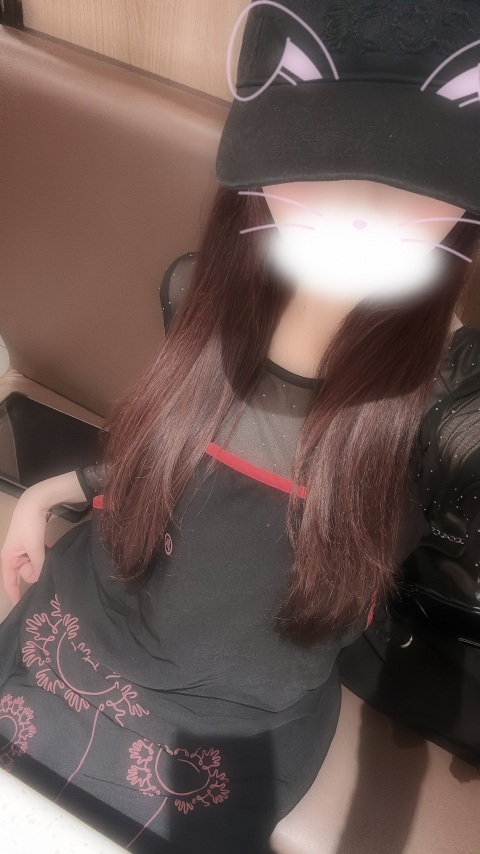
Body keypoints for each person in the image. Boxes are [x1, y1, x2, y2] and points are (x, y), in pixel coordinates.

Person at [1, 2, 480, 852]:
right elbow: (170, 451)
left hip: (235, 719)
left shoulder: (452, 405)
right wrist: (47, 493)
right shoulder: (197, 294)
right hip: (86, 620)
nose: (361, 205)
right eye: (319, 157)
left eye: (415, 174)